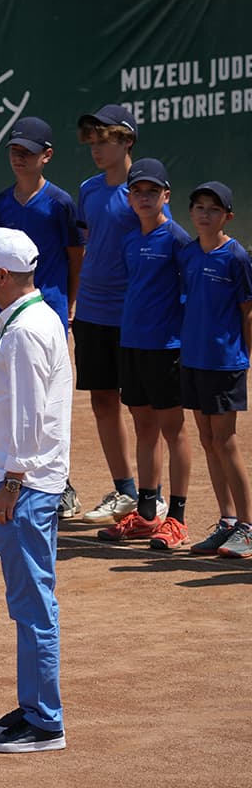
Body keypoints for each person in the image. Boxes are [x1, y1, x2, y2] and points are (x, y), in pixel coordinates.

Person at [0, 227, 70, 753]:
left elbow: (27, 417)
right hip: (26, 481)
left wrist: (12, 483)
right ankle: (33, 706)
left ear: (2, 275)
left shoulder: (25, 332)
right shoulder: (33, 319)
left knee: (32, 603)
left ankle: (46, 721)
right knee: (29, 601)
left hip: (23, 486)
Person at [0, 117, 85, 520]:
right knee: (8, 394)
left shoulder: (60, 204)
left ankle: (59, 483)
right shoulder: (0, 204)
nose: (19, 158)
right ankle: (2, 475)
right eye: (14, 151)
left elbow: (75, 257)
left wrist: (71, 303)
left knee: (48, 399)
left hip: (49, 309)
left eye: (27, 152)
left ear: (47, 156)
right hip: (8, 311)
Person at [97, 159, 193, 548]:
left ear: (166, 196)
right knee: (144, 427)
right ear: (129, 198)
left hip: (166, 347)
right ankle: (148, 514)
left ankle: (178, 519)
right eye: (137, 191)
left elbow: (190, 293)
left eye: (152, 191)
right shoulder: (130, 240)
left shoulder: (178, 239)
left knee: (173, 429)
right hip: (132, 344)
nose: (144, 197)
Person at [75, 104, 148, 525]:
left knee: (142, 408)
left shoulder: (143, 192)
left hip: (132, 314)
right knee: (103, 401)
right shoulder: (88, 189)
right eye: (93, 142)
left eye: (105, 141)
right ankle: (125, 490)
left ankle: (153, 496)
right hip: (92, 311)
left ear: (127, 141)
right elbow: (90, 242)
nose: (96, 150)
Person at [176, 182, 252, 558]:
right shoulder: (188, 255)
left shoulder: (236, 257)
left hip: (225, 363)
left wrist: (244, 358)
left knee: (225, 441)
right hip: (193, 360)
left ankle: (247, 528)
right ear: (191, 212)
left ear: (228, 217)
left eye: (214, 209)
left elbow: (247, 312)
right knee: (207, 439)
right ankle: (227, 521)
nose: (205, 214)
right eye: (200, 207)